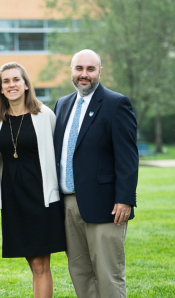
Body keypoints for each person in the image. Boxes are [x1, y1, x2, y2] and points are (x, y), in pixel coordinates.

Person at [53, 49, 138, 298]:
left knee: (108, 274)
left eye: (90, 69)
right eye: (79, 68)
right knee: (80, 272)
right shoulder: (62, 104)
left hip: (106, 205)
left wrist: (125, 198)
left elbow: (128, 157)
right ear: (71, 71)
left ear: (100, 71)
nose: (84, 74)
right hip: (68, 205)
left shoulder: (116, 103)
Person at [0, 62, 66, 298]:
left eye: (16, 80)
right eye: (6, 81)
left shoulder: (44, 115)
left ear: (25, 85)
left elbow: (58, 155)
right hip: (13, 198)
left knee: (41, 265)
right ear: (1, 89)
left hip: (41, 197)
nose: (11, 84)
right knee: (33, 265)